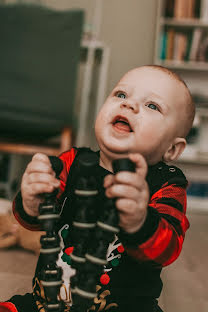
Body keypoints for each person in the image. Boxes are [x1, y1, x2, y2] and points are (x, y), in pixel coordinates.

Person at [0, 65, 195, 312]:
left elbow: (168, 249)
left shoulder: (167, 183)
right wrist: (30, 202)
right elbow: (35, 221)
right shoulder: (72, 162)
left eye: (152, 105)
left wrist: (140, 222)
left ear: (172, 149)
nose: (129, 105)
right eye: (121, 95)